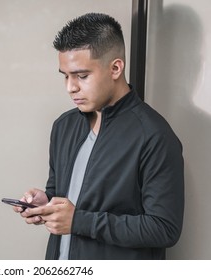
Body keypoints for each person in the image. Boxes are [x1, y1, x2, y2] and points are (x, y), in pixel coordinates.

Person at [13, 13, 184, 260]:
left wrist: (79, 221)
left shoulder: (154, 136)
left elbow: (164, 229)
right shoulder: (64, 126)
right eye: (65, 75)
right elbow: (66, 196)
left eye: (81, 76)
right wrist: (46, 203)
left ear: (115, 68)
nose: (70, 87)